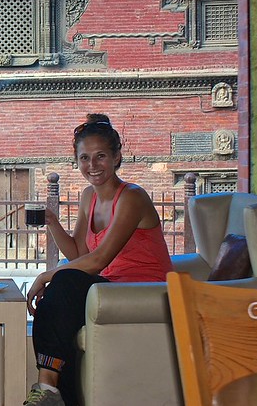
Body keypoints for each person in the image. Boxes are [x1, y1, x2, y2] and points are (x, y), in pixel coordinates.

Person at [23, 114, 173, 406]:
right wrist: (53, 222)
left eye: (100, 156)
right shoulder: (89, 197)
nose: (92, 166)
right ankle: (52, 392)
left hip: (144, 291)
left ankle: (47, 389)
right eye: (84, 158)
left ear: (117, 157)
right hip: (107, 286)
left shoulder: (132, 197)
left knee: (60, 284)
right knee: (55, 304)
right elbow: (80, 255)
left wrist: (45, 276)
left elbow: (100, 259)